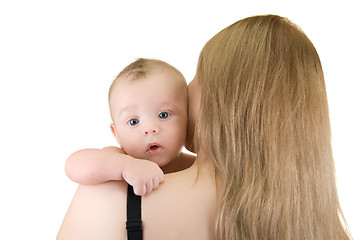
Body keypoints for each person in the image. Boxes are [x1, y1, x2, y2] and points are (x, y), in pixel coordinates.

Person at [57, 15, 351, 239]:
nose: (187, 87)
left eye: (198, 75)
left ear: (224, 99)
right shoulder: (321, 225)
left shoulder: (111, 198)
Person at [65, 58, 195, 196]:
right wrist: (125, 166)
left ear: (188, 118)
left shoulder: (195, 167)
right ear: (117, 135)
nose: (150, 128)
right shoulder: (118, 158)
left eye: (163, 115)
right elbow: (73, 165)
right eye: (133, 121)